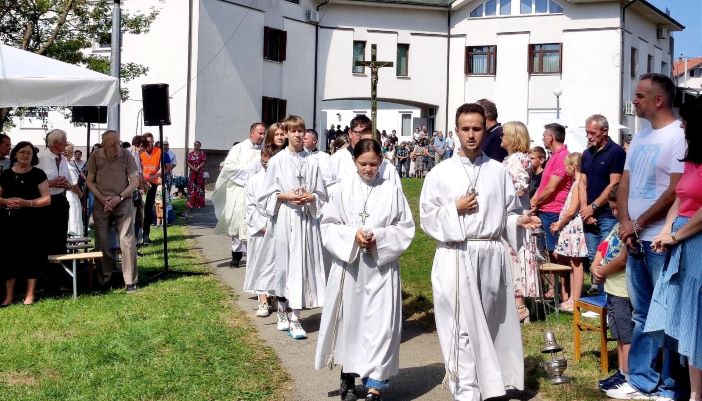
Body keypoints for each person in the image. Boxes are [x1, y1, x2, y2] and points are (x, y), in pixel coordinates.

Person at [420, 103, 540, 401]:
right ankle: (466, 390)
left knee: (489, 321)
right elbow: (426, 217)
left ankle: (491, 384)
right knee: (459, 324)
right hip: (455, 253)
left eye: (477, 129)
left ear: (485, 131)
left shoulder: (498, 171)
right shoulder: (440, 172)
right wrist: (453, 209)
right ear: (456, 131)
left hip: (490, 254)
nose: (471, 135)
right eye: (465, 129)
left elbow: (509, 212)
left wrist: (518, 220)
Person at [315, 139, 415, 401]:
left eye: (373, 163)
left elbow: (405, 228)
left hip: (381, 268)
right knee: (351, 323)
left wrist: (379, 238)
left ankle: (375, 386)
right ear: (354, 163)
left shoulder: (392, 190)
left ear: (381, 161)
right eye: (363, 164)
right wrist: (352, 236)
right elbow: (328, 225)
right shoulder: (341, 189)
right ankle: (348, 375)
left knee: (381, 326)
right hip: (351, 267)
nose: (369, 169)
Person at [608, 73, 686, 401]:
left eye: (640, 96)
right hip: (635, 236)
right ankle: (642, 379)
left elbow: (675, 189)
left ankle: (669, 385)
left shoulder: (678, 135)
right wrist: (626, 224)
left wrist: (638, 224)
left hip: (659, 238)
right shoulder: (639, 137)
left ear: (659, 100)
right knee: (641, 312)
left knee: (666, 314)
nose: (634, 101)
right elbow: (624, 184)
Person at [647, 97, 702, 401]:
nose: (681, 124)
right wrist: (667, 230)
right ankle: (694, 393)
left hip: (696, 245)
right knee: (687, 320)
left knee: (698, 319)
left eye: (686, 119)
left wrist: (677, 235)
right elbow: (681, 198)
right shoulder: (692, 158)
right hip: (682, 242)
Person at [257, 115, 327, 340]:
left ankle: (296, 316)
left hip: (306, 219)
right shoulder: (277, 161)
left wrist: (312, 197)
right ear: (285, 133)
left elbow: (323, 193)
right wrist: (284, 196)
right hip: (286, 218)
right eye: (293, 131)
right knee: (285, 266)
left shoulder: (313, 161)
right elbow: (265, 195)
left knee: (302, 267)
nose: (297, 135)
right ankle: (281, 308)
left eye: (301, 131)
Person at [591, 184, 633, 394]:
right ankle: (621, 371)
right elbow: (603, 248)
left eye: (618, 209)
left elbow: (622, 259)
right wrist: (594, 265)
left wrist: (602, 271)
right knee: (618, 334)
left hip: (624, 291)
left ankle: (629, 376)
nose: (615, 213)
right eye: (612, 209)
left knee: (627, 337)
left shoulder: (630, 228)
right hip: (612, 290)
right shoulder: (617, 227)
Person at [86, 130, 140, 292]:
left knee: (127, 241)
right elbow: (89, 181)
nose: (117, 147)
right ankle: (104, 279)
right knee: (102, 241)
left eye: (118, 142)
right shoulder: (95, 155)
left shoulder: (126, 155)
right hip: (101, 203)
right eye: (112, 144)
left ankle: (130, 281)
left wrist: (120, 197)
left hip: (123, 201)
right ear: (103, 145)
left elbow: (135, 181)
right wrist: (102, 199)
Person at [579, 114, 626, 295]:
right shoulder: (586, 153)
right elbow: (582, 183)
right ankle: (598, 297)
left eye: (593, 133)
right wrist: (585, 209)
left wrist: (594, 207)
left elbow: (614, 184)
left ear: (605, 131)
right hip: (588, 214)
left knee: (607, 256)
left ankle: (610, 299)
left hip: (607, 213)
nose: (590, 136)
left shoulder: (616, 152)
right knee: (593, 257)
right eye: (587, 133)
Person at [0, 142, 51, 306]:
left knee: (32, 256)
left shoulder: (38, 174)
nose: (25, 155)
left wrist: (26, 203)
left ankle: (30, 295)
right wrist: (6, 201)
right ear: (15, 154)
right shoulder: (5, 175)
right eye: (22, 152)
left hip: (32, 222)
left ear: (33, 156)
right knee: (8, 258)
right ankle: (9, 296)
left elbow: (47, 199)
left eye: (29, 153)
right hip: (9, 221)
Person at [213, 122, 265, 267]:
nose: (262, 136)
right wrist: (249, 170)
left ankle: (253, 256)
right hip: (239, 191)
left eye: (263, 134)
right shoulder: (238, 148)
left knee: (254, 223)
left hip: (257, 192)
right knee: (237, 224)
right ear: (251, 133)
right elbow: (228, 168)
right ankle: (236, 256)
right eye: (260, 133)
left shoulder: (265, 150)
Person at [530, 123, 572, 298]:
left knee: (557, 252)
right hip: (545, 208)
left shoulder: (562, 157)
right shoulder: (554, 156)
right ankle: (553, 289)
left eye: (544, 135)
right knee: (549, 252)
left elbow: (551, 187)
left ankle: (564, 291)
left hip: (553, 210)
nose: (542, 138)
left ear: (551, 137)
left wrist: (535, 201)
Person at [500, 121, 534, 322]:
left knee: (513, 257)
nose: (500, 137)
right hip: (517, 214)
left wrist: (501, 195)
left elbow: (520, 186)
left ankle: (519, 307)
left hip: (516, 215)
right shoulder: (517, 158)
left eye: (504, 134)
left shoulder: (515, 160)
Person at [243, 145, 280, 317]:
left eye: (269, 164)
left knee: (276, 264)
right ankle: (262, 299)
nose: (265, 166)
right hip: (260, 229)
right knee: (260, 263)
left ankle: (274, 296)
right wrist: (261, 226)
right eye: (263, 163)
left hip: (278, 227)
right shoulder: (254, 180)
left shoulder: (281, 179)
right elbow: (250, 206)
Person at [551, 153, 588, 311]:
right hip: (570, 226)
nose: (565, 169)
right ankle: (572, 298)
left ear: (573, 166)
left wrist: (560, 223)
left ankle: (576, 299)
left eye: (566, 166)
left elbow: (572, 209)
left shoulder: (578, 183)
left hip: (573, 225)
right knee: (572, 263)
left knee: (576, 263)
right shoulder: (576, 182)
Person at [37, 129, 74, 267]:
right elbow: (33, 183)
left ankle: (60, 276)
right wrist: (51, 183)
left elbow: (70, 182)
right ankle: (44, 275)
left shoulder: (63, 158)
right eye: (64, 141)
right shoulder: (40, 158)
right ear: (56, 143)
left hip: (60, 201)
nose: (66, 143)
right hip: (45, 202)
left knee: (60, 237)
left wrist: (66, 184)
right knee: (45, 237)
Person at [140, 133, 161, 245]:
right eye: (146, 142)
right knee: (139, 211)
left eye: (150, 141)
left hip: (152, 183)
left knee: (148, 210)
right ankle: (138, 237)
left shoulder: (159, 151)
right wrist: (143, 181)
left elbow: (163, 168)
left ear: (153, 141)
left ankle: (146, 237)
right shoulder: (140, 152)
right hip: (140, 184)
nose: (148, 144)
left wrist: (154, 177)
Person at [64, 142, 84, 236]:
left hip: (65, 194)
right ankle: (74, 238)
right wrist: (81, 194)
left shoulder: (60, 165)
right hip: (72, 195)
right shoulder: (69, 167)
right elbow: (73, 185)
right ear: (71, 153)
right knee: (73, 216)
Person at [186, 141, 207, 209]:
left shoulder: (202, 154)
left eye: (198, 145)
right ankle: (191, 204)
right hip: (192, 173)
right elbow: (188, 162)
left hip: (200, 173)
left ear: (200, 146)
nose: (196, 146)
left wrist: (198, 167)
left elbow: (203, 162)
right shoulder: (190, 154)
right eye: (195, 145)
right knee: (192, 188)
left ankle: (199, 204)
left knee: (199, 188)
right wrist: (193, 168)